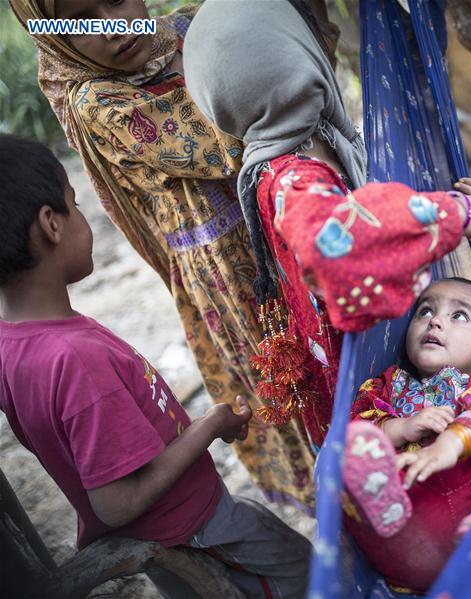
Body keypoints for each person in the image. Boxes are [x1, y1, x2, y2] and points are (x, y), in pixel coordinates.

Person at [8, 0, 316, 507]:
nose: (113, 25)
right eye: (81, 19)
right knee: (295, 375)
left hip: (295, 216)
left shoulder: (190, 25)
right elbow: (227, 140)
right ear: (52, 33)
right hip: (236, 270)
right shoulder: (100, 103)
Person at [182, 0, 471, 451]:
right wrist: (458, 214)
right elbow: (342, 240)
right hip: (362, 407)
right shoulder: (291, 176)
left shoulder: (313, 141)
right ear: (298, 56)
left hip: (373, 381)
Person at [0, 135, 310, 599]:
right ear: (51, 225)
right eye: (75, 204)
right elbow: (117, 502)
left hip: (169, 539)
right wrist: (210, 425)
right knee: (305, 569)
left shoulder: (13, 344)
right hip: (192, 529)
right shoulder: (75, 359)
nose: (84, 217)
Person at [340, 278, 471, 593]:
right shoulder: (388, 384)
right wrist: (399, 427)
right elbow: (356, 421)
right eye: (424, 311)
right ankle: (381, 505)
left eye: (458, 315)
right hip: (411, 517)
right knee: (340, 454)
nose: (436, 321)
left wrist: (452, 442)